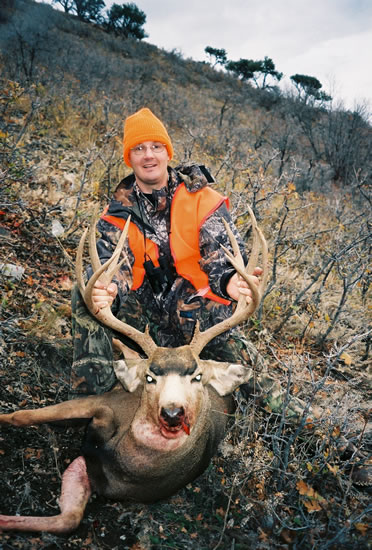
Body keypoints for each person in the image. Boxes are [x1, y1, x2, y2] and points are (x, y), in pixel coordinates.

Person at [69, 108, 302, 417]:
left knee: (251, 377)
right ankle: (89, 402)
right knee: (85, 293)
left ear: (168, 152)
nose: (148, 155)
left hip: (197, 322)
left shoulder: (201, 199)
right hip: (143, 329)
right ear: (129, 157)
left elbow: (218, 251)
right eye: (138, 148)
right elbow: (117, 261)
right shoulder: (117, 215)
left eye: (155, 147)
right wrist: (108, 288)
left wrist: (231, 279)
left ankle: (327, 439)